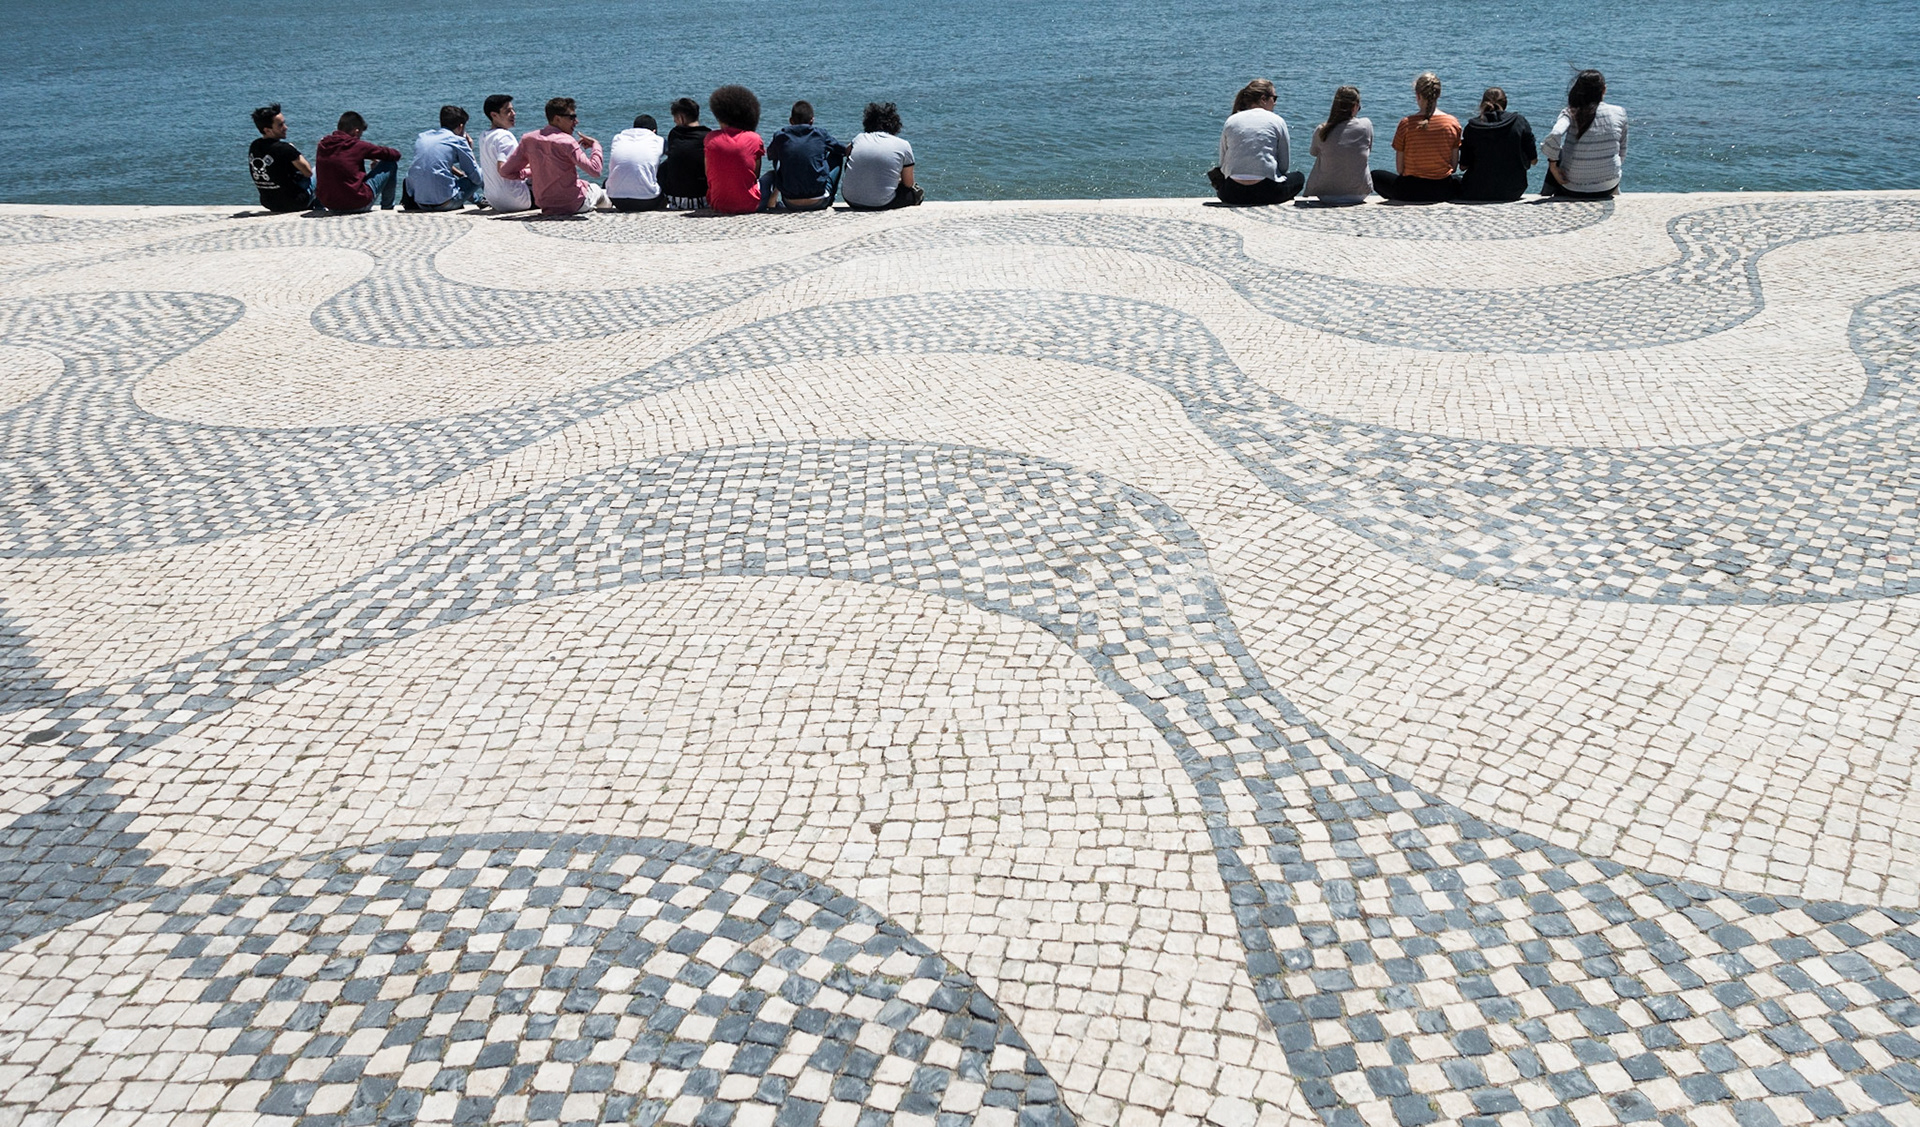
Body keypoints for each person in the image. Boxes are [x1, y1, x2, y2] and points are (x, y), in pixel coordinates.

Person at [498, 97, 609, 215]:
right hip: (574, 203)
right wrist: (596, 145)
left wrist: (533, 172)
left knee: (585, 186)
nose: (576, 121)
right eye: (572, 117)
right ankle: (610, 210)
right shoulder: (567, 141)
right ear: (557, 119)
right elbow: (595, 171)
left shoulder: (528, 139)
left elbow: (505, 172)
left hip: (545, 204)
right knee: (598, 190)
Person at [1207, 79, 1305, 206]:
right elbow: (1283, 166)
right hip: (1267, 193)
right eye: (1274, 98)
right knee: (1299, 177)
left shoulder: (1231, 120)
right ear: (1264, 99)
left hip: (1231, 194)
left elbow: (1222, 163)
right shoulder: (1277, 121)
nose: (1275, 103)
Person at [1372, 73, 1461, 202]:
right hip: (1442, 191)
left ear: (1418, 95)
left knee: (1375, 176)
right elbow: (1453, 166)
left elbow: (1400, 169)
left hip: (1410, 191)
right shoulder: (1452, 123)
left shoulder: (1406, 124)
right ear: (1438, 95)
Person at [1541, 70, 1627, 198]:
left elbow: (1556, 133)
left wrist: (1553, 166)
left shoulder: (1571, 112)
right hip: (1609, 185)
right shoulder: (1619, 112)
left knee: (1558, 154)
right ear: (1604, 90)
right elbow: (1622, 152)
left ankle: (1545, 195)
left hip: (1573, 187)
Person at [761, 101, 846, 212]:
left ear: (791, 121)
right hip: (819, 200)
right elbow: (843, 150)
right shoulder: (821, 134)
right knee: (837, 155)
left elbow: (770, 155)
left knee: (778, 161)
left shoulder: (780, 136)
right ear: (812, 121)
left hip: (790, 201)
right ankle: (830, 198)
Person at [1456, 87, 1537, 202]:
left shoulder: (1473, 127)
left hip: (1476, 190)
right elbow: (1534, 161)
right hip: (1513, 191)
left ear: (1482, 103)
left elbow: (1463, 166)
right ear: (1505, 103)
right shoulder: (1519, 122)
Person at [313, 112, 401, 213]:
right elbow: (395, 155)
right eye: (360, 135)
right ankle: (387, 207)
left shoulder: (323, 144)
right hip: (357, 203)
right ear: (356, 131)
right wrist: (373, 157)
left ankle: (318, 206)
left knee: (324, 169)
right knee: (390, 164)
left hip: (330, 204)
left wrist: (366, 155)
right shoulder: (358, 145)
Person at [402, 105, 485, 211]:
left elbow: (436, 162)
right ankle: (492, 202)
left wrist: (460, 174)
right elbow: (476, 177)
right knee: (483, 173)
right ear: (461, 126)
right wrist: (469, 149)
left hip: (420, 202)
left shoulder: (423, 137)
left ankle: (479, 200)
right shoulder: (458, 141)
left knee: (447, 179)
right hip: (445, 203)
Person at [842, 102, 923, 210]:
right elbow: (908, 184)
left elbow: (847, 152)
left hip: (851, 199)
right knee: (915, 193)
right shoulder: (903, 145)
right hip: (881, 203)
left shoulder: (859, 138)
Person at [1303, 86, 1373, 205]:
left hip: (1326, 195)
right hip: (1359, 194)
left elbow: (1313, 152)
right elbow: (1368, 150)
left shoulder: (1322, 130)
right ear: (1355, 106)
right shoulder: (1366, 125)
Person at [704, 85, 766, 214]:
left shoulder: (710, 138)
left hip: (717, 203)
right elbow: (755, 175)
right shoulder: (754, 139)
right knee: (770, 176)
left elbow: (708, 172)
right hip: (749, 205)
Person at [247, 103, 314, 213]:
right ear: (267, 130)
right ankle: (320, 209)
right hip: (296, 202)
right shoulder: (285, 149)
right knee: (318, 171)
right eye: (280, 125)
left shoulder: (254, 146)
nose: (285, 127)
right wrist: (294, 150)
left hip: (269, 202)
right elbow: (308, 172)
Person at [478, 95, 532, 213]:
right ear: (494, 115)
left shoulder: (484, 136)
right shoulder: (504, 136)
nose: (513, 114)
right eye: (508, 111)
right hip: (516, 199)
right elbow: (503, 168)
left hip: (494, 200)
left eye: (513, 110)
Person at [658, 98, 712, 210]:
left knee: (664, 166)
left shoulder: (674, 134)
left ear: (681, 117)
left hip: (677, 201)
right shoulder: (708, 135)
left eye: (675, 118)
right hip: (704, 199)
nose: (674, 121)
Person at [605, 114, 666, 212]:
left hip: (616, 200)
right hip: (648, 200)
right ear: (654, 131)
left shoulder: (618, 138)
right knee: (665, 167)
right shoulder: (658, 140)